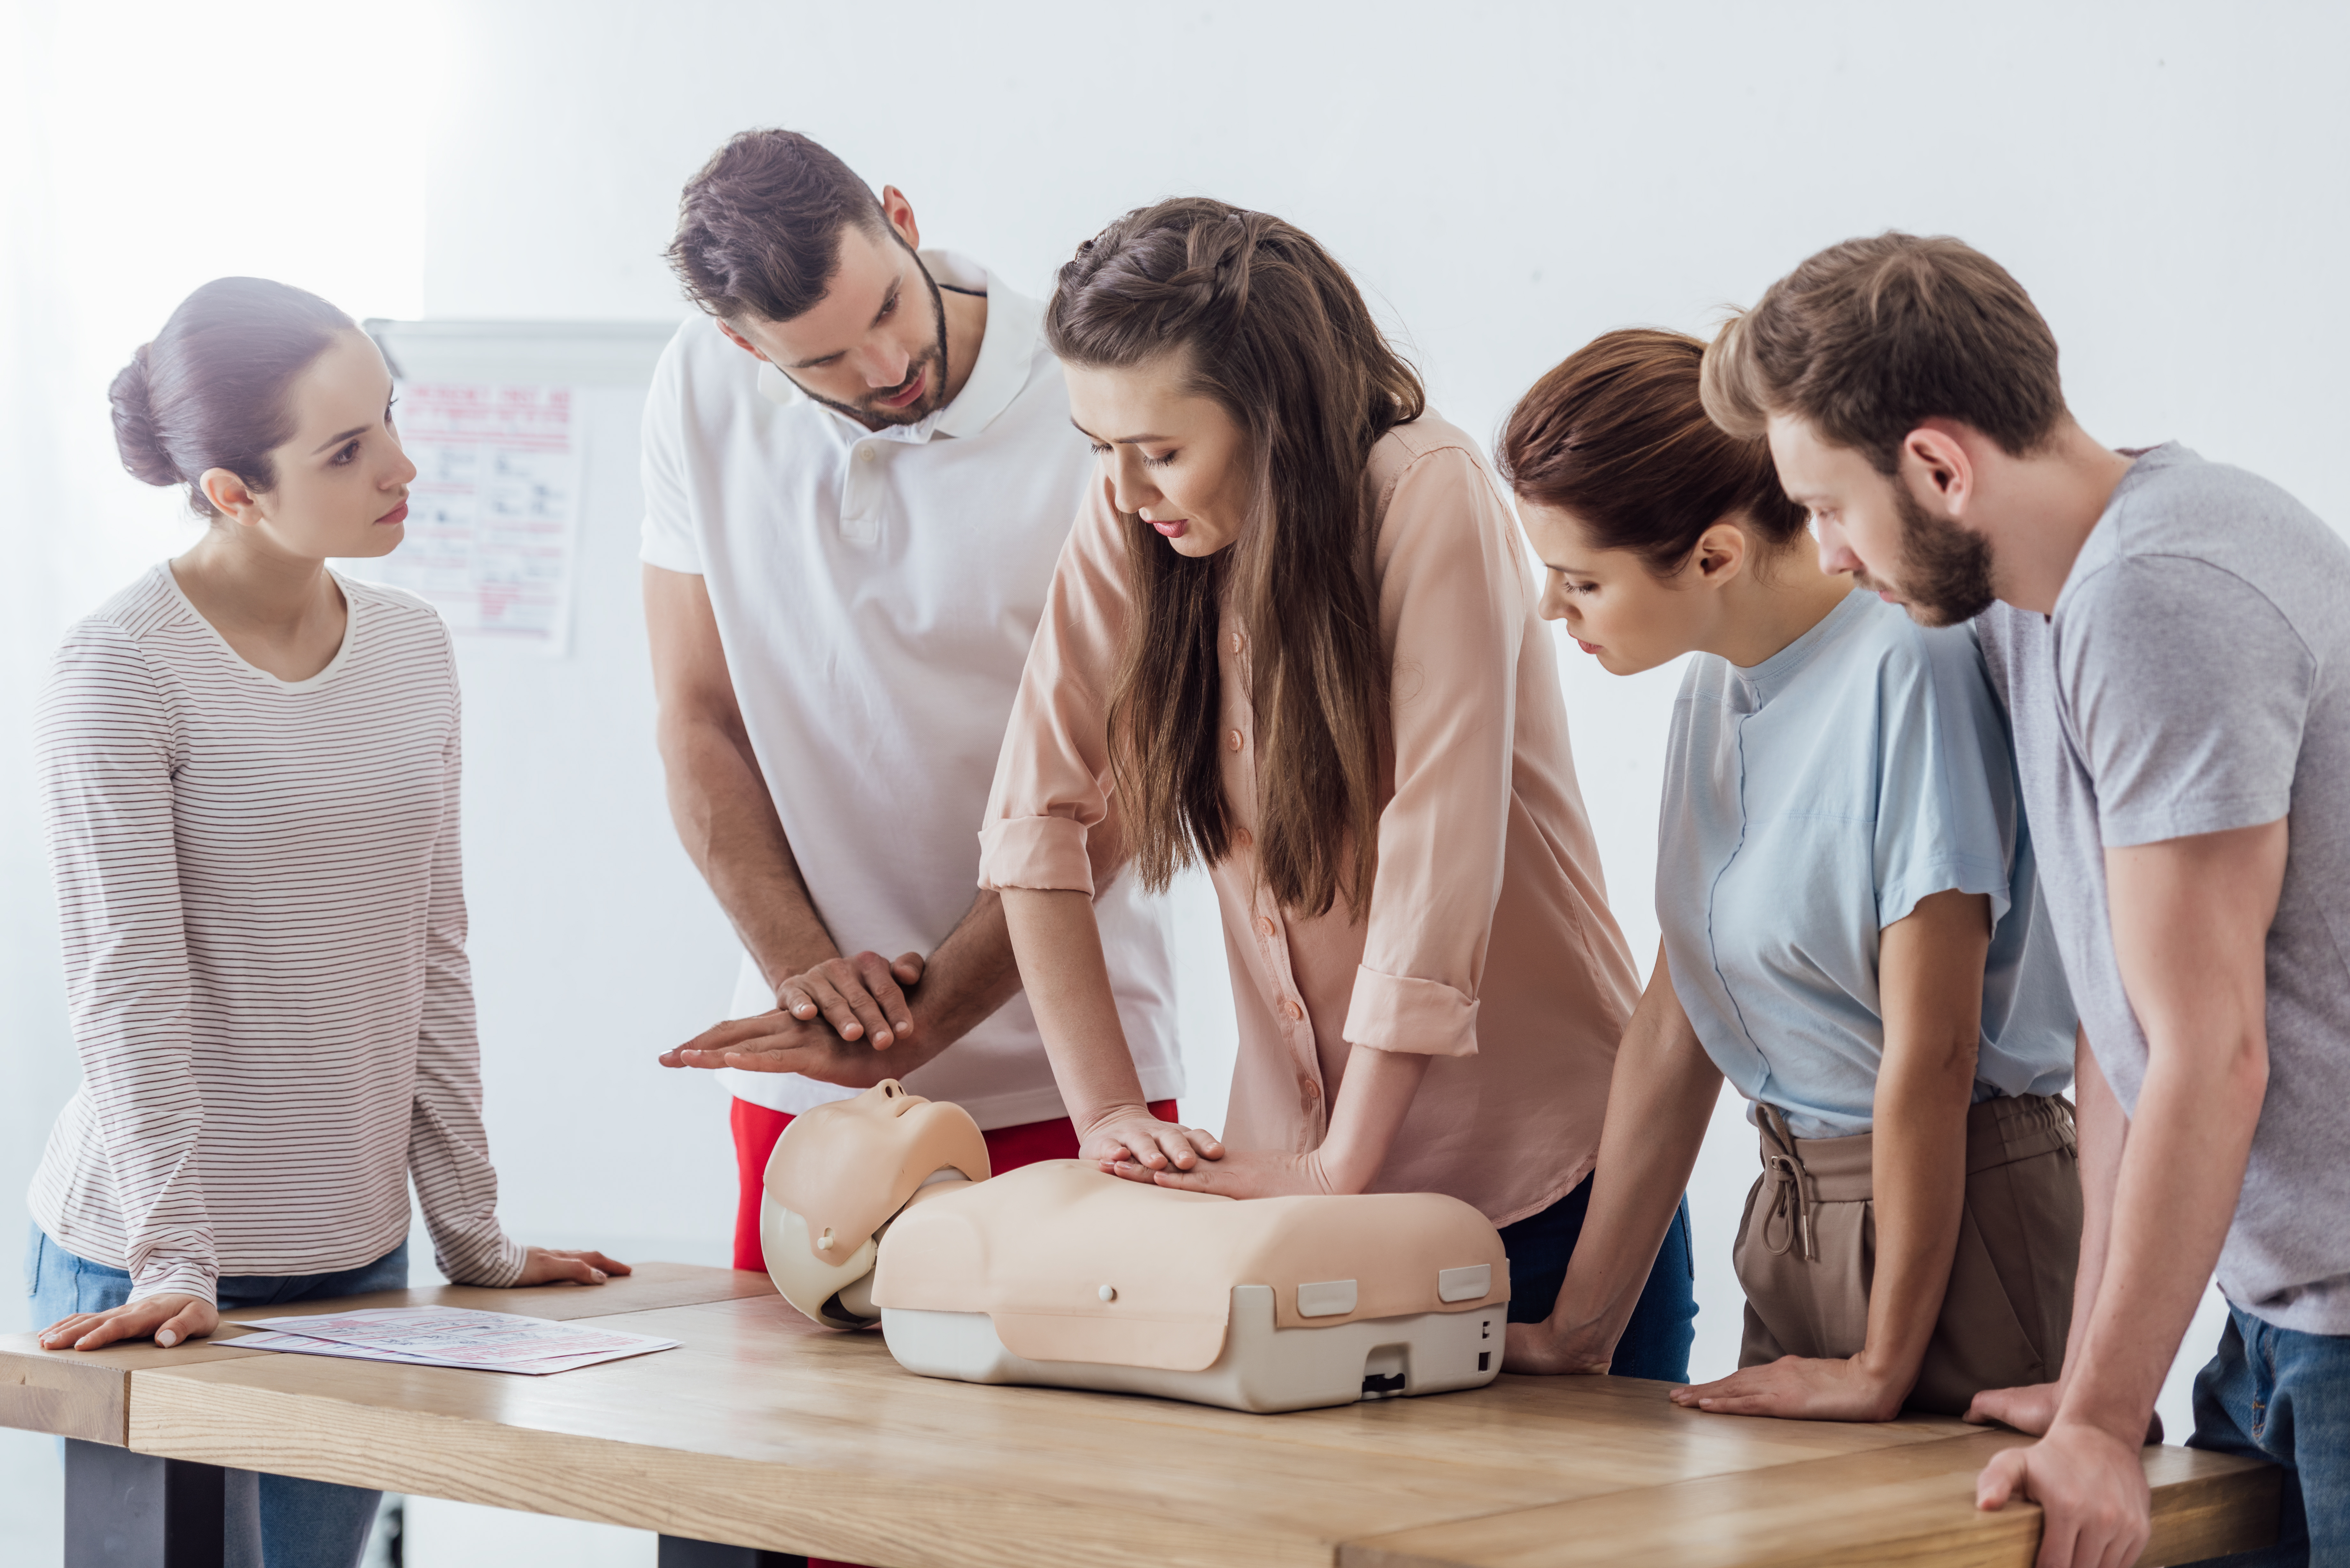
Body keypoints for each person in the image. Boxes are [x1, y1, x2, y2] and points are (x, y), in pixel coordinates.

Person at [1706, 231, 2350, 1568]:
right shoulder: (2026, 605)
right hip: (2276, 1313)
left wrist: (2108, 1424)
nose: (1826, 555)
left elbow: (2209, 1054)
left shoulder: (2158, 598)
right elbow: (2119, 1042)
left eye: (1832, 506)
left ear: (1938, 468)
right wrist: (2086, 1381)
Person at [975, 199, 1695, 1377]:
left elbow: (1436, 856)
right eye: (1096, 447)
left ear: (1271, 414)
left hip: (1536, 1179)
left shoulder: (1427, 491)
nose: (1121, 489)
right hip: (1298, 1201)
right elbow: (1032, 821)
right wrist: (1113, 1118)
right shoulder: (1137, 521)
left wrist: (1337, 1166)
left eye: (1160, 449)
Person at [27, 277, 626, 1568]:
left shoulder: (412, 645)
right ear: (234, 490)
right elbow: (126, 992)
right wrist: (174, 1260)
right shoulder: (119, 668)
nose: (403, 467)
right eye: (347, 451)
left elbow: (434, 949)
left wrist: (474, 1235)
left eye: (392, 420)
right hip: (155, 1263)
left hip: (356, 1258)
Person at [1494, 328, 2082, 1422]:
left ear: (1714, 557)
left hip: (1966, 1213)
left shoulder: (1914, 663)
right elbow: (1684, 1012)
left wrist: (1881, 1367)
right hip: (1791, 1213)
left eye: (1579, 579)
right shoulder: (1717, 682)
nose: (1550, 611)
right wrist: (1582, 1329)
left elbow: (1936, 1051)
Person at [639, 130, 1182, 1280]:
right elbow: (699, 717)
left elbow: (1141, 764)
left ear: (901, 215)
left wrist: (933, 1013)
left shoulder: (1090, 398)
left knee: (1051, 1454)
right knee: (789, 1444)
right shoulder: (695, 386)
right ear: (742, 345)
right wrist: (807, 975)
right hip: (808, 1080)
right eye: (824, 359)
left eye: (889, 305)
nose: (886, 365)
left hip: (1069, 1070)